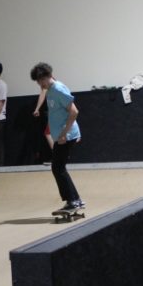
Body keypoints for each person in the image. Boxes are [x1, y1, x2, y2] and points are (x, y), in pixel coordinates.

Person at [30, 62, 84, 211]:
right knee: (59, 167)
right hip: (63, 135)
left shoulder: (58, 89)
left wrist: (65, 133)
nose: (39, 84)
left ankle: (72, 201)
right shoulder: (50, 90)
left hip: (65, 136)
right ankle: (76, 199)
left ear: (46, 77)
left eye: (40, 81)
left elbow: (74, 111)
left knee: (57, 168)